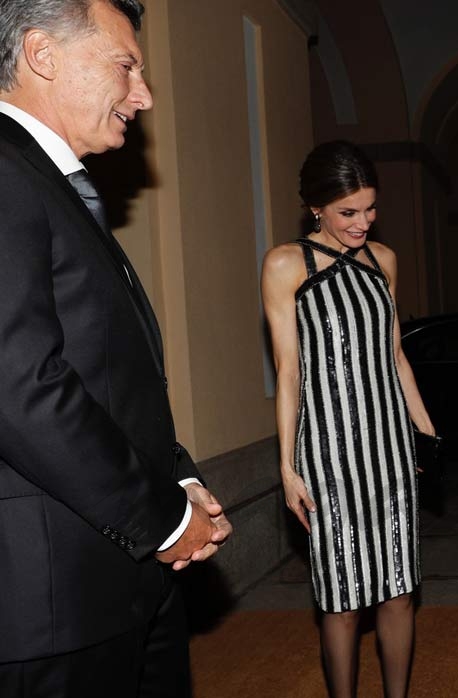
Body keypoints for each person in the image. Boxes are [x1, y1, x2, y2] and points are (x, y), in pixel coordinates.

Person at [0, 1, 232, 695]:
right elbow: (19, 384)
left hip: (114, 584)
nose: (146, 96)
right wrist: (161, 519)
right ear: (42, 54)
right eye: (126, 66)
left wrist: (178, 476)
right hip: (50, 604)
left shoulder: (50, 183)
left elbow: (104, 373)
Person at [261, 141, 435, 698]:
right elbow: (288, 371)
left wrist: (427, 433)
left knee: (400, 590)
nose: (363, 222)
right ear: (316, 206)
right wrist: (287, 468)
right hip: (330, 456)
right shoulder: (287, 264)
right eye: (348, 212)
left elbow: (396, 357)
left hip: (390, 449)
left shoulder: (384, 261)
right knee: (342, 599)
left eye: (370, 208)